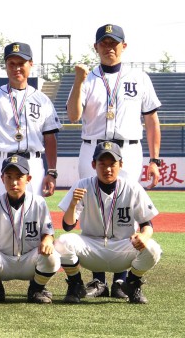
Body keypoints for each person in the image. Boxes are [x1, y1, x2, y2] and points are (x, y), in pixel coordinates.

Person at [66, 24, 164, 298]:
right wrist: (77, 81)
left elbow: (151, 120)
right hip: (93, 148)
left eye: (114, 42)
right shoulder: (86, 77)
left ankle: (122, 279)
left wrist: (155, 159)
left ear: (124, 46)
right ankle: (98, 279)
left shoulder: (139, 77)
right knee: (91, 208)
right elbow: (73, 116)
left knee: (128, 208)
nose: (109, 47)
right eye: (104, 43)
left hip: (128, 149)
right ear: (96, 47)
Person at [57, 141, 162, 304]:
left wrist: (144, 236)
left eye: (112, 164)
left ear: (121, 164)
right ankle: (75, 285)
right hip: (92, 247)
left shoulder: (132, 187)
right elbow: (68, 225)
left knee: (153, 248)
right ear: (93, 164)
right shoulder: (83, 185)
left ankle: (132, 284)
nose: (107, 169)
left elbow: (146, 223)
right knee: (63, 242)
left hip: (122, 248)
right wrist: (72, 205)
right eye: (102, 164)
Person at [0, 43, 61, 197]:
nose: (16, 68)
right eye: (12, 63)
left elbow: (50, 138)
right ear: (6, 66)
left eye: (21, 63)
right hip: (0, 162)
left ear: (30, 64)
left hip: (32, 164)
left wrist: (52, 172)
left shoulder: (42, 100)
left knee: (32, 217)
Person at [0, 155, 59, 304]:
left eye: (19, 176)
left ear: (28, 178)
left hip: (29, 261)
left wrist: (47, 240)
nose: (13, 182)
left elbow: (48, 231)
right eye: (9, 176)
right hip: (2, 260)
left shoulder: (38, 202)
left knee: (52, 256)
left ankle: (37, 289)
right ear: (2, 178)